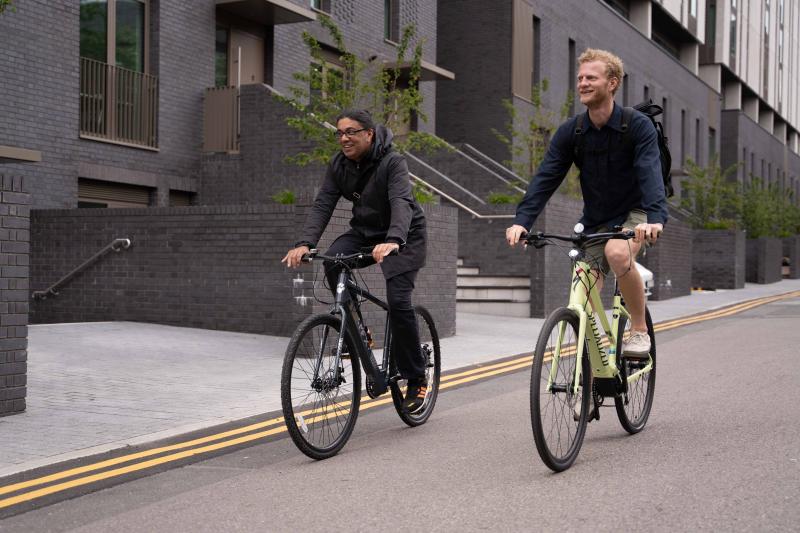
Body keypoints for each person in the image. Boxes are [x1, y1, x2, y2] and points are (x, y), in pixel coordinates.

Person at [506, 48, 668, 358]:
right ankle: (595, 365)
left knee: (618, 253)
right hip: (596, 220)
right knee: (582, 282)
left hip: (636, 213)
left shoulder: (636, 126)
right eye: (580, 78)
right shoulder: (573, 131)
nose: (582, 83)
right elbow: (545, 178)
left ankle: (638, 329)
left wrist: (655, 219)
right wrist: (522, 221)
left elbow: (650, 173)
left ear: (612, 83)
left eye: (591, 77)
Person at [282, 109, 429, 413]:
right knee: (333, 261)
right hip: (365, 232)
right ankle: (359, 333)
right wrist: (305, 243)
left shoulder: (393, 162)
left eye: (350, 132)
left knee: (399, 302)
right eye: (339, 133)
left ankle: (416, 377)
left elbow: (401, 202)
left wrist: (394, 240)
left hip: (404, 236)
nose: (344, 138)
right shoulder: (339, 165)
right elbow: (324, 203)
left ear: (369, 134)